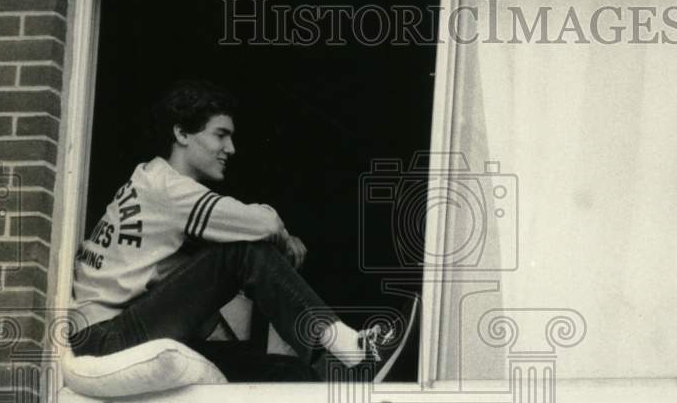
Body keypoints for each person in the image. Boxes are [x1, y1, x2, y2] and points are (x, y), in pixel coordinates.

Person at [68, 79, 416, 383]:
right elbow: (262, 225)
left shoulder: (148, 178)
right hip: (106, 338)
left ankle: (346, 380)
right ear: (182, 133)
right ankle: (354, 350)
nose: (230, 149)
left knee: (287, 374)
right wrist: (281, 234)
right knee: (242, 251)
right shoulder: (170, 190)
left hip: (106, 334)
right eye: (221, 135)